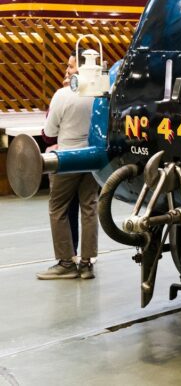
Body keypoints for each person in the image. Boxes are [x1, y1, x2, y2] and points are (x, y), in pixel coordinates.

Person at [37, 54, 99, 280]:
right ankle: (87, 263)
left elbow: (48, 134)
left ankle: (65, 262)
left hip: (67, 157)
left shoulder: (62, 95)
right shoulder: (100, 94)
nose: (66, 69)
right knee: (90, 208)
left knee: (58, 207)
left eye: (70, 66)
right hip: (92, 157)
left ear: (80, 70)